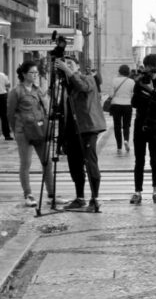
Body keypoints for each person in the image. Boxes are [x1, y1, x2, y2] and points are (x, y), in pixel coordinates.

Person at [55, 57, 106, 213]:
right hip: (71, 130)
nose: (66, 66)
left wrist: (68, 71)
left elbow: (83, 87)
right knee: (74, 165)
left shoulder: (88, 78)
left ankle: (95, 198)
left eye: (70, 64)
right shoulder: (64, 85)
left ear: (78, 66)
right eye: (64, 64)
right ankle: (80, 197)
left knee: (90, 163)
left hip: (87, 128)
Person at [7, 60, 54, 207]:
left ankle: (51, 194)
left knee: (47, 162)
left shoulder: (38, 89)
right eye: (32, 73)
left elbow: (46, 109)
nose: (35, 75)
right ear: (23, 74)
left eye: (36, 73)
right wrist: (16, 131)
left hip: (39, 129)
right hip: (24, 131)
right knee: (25, 163)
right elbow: (10, 113)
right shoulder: (16, 92)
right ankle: (28, 194)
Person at [130, 53, 156, 205]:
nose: (152, 70)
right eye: (149, 67)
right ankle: (137, 192)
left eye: (154, 67)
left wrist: (151, 91)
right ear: (145, 67)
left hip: (155, 125)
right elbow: (134, 102)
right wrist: (146, 91)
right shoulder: (139, 82)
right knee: (139, 161)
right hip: (140, 124)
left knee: (155, 161)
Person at [109, 64, 134, 153]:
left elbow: (111, 94)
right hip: (127, 105)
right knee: (126, 125)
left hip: (116, 105)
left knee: (117, 126)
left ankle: (119, 146)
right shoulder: (131, 81)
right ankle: (126, 140)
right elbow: (133, 94)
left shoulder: (114, 80)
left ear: (119, 71)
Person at [0, 67, 12, 139]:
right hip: (2, 96)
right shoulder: (3, 75)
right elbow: (8, 85)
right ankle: (7, 135)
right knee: (4, 116)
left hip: (3, 96)